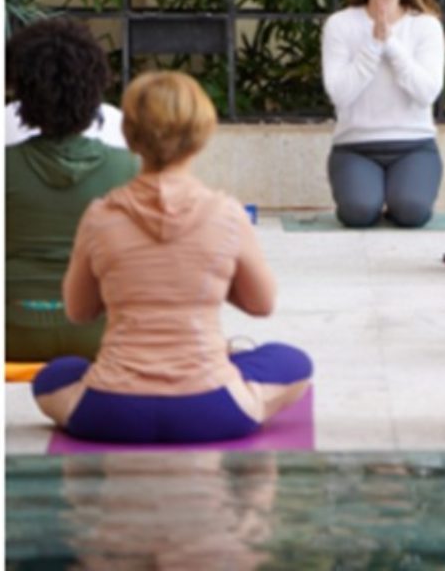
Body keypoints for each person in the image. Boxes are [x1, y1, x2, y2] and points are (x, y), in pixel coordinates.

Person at [33, 71, 312, 444]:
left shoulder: (100, 216)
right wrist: (210, 278)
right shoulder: (227, 215)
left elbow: (79, 311)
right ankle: (240, 386)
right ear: (202, 133)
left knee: (55, 376)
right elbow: (261, 304)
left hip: (112, 411)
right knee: (294, 363)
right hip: (210, 408)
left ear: (130, 135)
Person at [6, 18, 139, 363]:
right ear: (95, 87)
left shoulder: (5, 166)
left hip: (15, 331)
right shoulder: (131, 168)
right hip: (102, 332)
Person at [321, 0, 445, 228]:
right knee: (358, 213)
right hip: (355, 145)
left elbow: (427, 92)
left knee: (412, 212)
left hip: (414, 144)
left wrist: (390, 45)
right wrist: (373, 46)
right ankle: (368, 192)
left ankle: (400, 192)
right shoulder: (340, 25)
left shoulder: (425, 26)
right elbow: (339, 93)